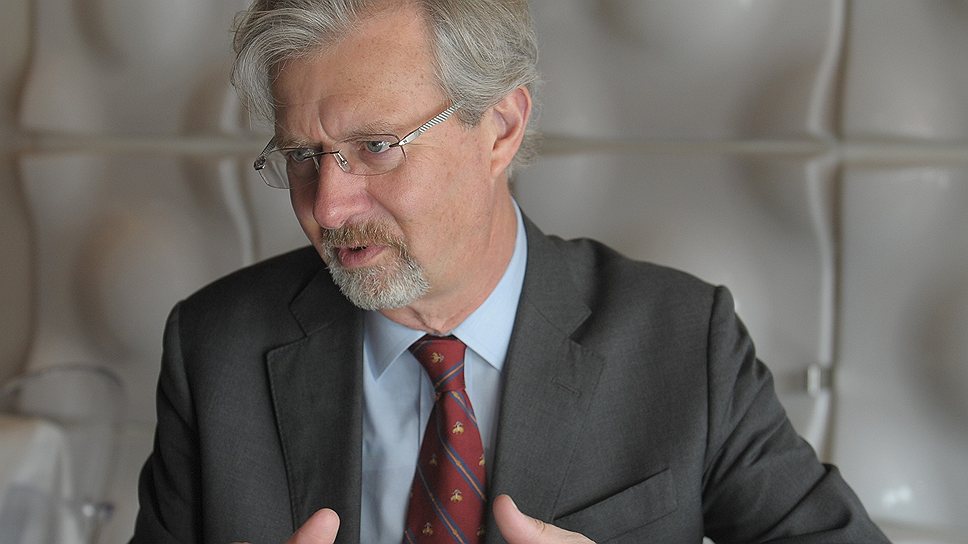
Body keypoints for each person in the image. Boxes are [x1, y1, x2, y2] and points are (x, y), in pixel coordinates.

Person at [131, 0, 890, 543]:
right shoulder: (214, 346)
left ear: (500, 127)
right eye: (303, 156)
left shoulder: (684, 340)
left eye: (377, 147)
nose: (327, 207)